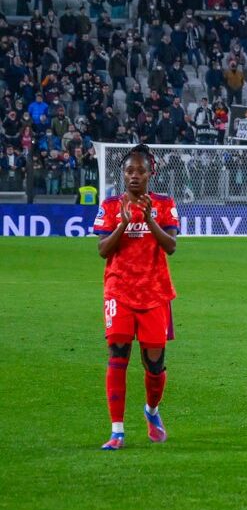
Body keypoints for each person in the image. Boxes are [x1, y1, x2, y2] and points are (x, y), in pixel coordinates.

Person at [93, 145, 180, 450]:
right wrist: (126, 222)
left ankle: (151, 411)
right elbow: (103, 250)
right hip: (119, 289)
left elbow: (171, 246)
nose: (134, 175)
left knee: (154, 366)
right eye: (130, 170)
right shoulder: (111, 206)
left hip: (155, 292)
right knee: (118, 355)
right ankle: (117, 431)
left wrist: (148, 219)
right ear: (123, 173)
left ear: (150, 173)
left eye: (140, 171)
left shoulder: (165, 204)